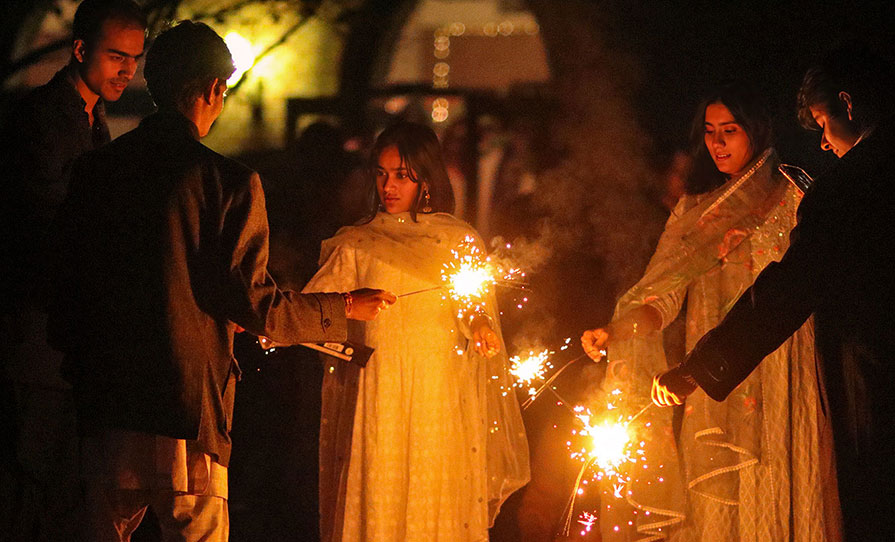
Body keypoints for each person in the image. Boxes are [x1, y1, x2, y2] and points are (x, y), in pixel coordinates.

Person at [46, 21, 394, 542]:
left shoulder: (98, 171)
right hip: (187, 409)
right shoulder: (227, 182)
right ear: (212, 89)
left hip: (107, 405)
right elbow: (255, 302)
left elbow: (69, 285)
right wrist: (342, 307)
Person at [652, 45, 895, 542]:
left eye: (824, 124)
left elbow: (787, 289)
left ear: (848, 105)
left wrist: (700, 366)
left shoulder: (848, 189)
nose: (825, 145)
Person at [581, 82, 839, 541]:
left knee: (784, 492)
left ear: (755, 132)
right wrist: (616, 329)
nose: (717, 143)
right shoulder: (694, 214)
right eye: (710, 131)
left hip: (784, 374)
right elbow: (662, 297)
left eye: (730, 130)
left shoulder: (796, 196)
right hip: (713, 378)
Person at [304, 121, 530, 542]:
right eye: (382, 174)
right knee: (380, 496)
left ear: (425, 179)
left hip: (436, 401)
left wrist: (481, 326)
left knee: (431, 502)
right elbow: (311, 309)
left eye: (402, 176)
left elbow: (471, 302)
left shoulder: (457, 241)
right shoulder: (357, 244)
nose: (389, 186)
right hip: (378, 395)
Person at [0, 1, 146, 539]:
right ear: (81, 49)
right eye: (115, 56)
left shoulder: (90, 118)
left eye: (134, 57)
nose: (127, 69)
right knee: (35, 489)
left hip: (63, 344)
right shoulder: (43, 120)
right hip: (36, 340)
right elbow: (45, 226)